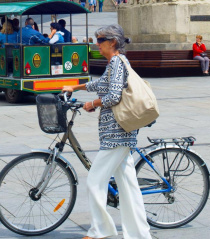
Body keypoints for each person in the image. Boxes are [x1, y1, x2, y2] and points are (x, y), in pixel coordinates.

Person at [62, 24, 152, 239]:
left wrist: (92, 104)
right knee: (128, 186)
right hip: (118, 132)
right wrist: (75, 87)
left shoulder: (118, 63)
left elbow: (113, 97)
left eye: (100, 40)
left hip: (117, 133)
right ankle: (140, 234)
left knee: (95, 180)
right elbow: (102, 83)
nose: (97, 44)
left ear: (112, 42)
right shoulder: (115, 63)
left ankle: (99, 231)